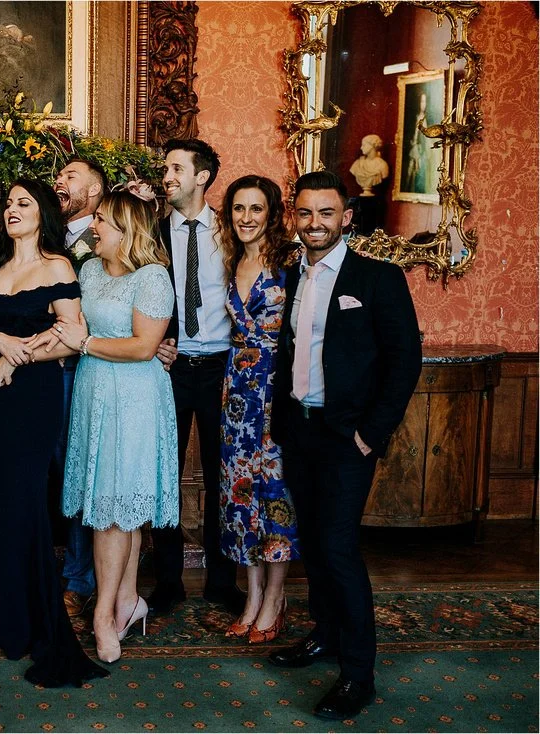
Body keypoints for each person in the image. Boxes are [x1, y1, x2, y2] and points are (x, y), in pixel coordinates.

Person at [269, 170, 421, 720]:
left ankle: (358, 674)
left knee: (337, 548)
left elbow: (405, 361)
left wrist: (370, 433)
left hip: (346, 438)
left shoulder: (377, 278)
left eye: (326, 213)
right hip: (299, 430)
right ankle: (326, 634)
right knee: (313, 543)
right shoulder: (290, 274)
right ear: (296, 217)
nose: (315, 223)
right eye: (305, 213)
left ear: (346, 218)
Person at [0, 179, 108, 688]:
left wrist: (15, 359)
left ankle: (28, 621)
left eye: (23, 203)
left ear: (42, 213)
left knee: (24, 502)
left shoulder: (58, 267)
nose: (12, 210)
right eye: (9, 204)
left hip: (33, 398)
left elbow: (71, 338)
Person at [55, 184, 178, 664]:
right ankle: (128, 601)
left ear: (126, 229)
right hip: (93, 392)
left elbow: (144, 347)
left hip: (134, 397)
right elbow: (70, 329)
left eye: (102, 219)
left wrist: (86, 344)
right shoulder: (87, 269)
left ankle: (104, 615)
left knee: (113, 510)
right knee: (115, 503)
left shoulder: (153, 277)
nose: (94, 225)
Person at [152, 139, 245, 616]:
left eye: (176, 169)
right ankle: (167, 581)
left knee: (221, 475)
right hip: (168, 368)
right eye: (165, 169)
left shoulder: (231, 231)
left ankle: (221, 582)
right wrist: (155, 339)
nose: (167, 177)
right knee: (164, 474)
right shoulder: (152, 231)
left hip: (220, 368)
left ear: (202, 176)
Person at [214, 175, 301, 644]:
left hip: (277, 389)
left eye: (256, 208)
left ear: (272, 213)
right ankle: (252, 597)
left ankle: (274, 598)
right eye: (238, 208)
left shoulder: (291, 263)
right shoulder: (232, 261)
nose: (246, 218)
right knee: (239, 494)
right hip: (237, 395)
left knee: (275, 493)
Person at [51, 158, 104, 618]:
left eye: (70, 176)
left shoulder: (107, 237)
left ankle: (79, 577)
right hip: (41, 370)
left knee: (79, 472)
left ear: (96, 189)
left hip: (84, 370)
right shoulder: (47, 234)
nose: (60, 181)